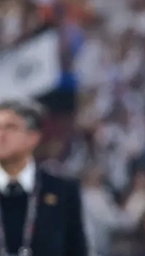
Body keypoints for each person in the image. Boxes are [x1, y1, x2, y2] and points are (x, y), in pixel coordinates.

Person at [0, 99, 88, 256]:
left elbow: (76, 249)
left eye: (11, 128)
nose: (1, 135)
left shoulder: (62, 190)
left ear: (32, 137)